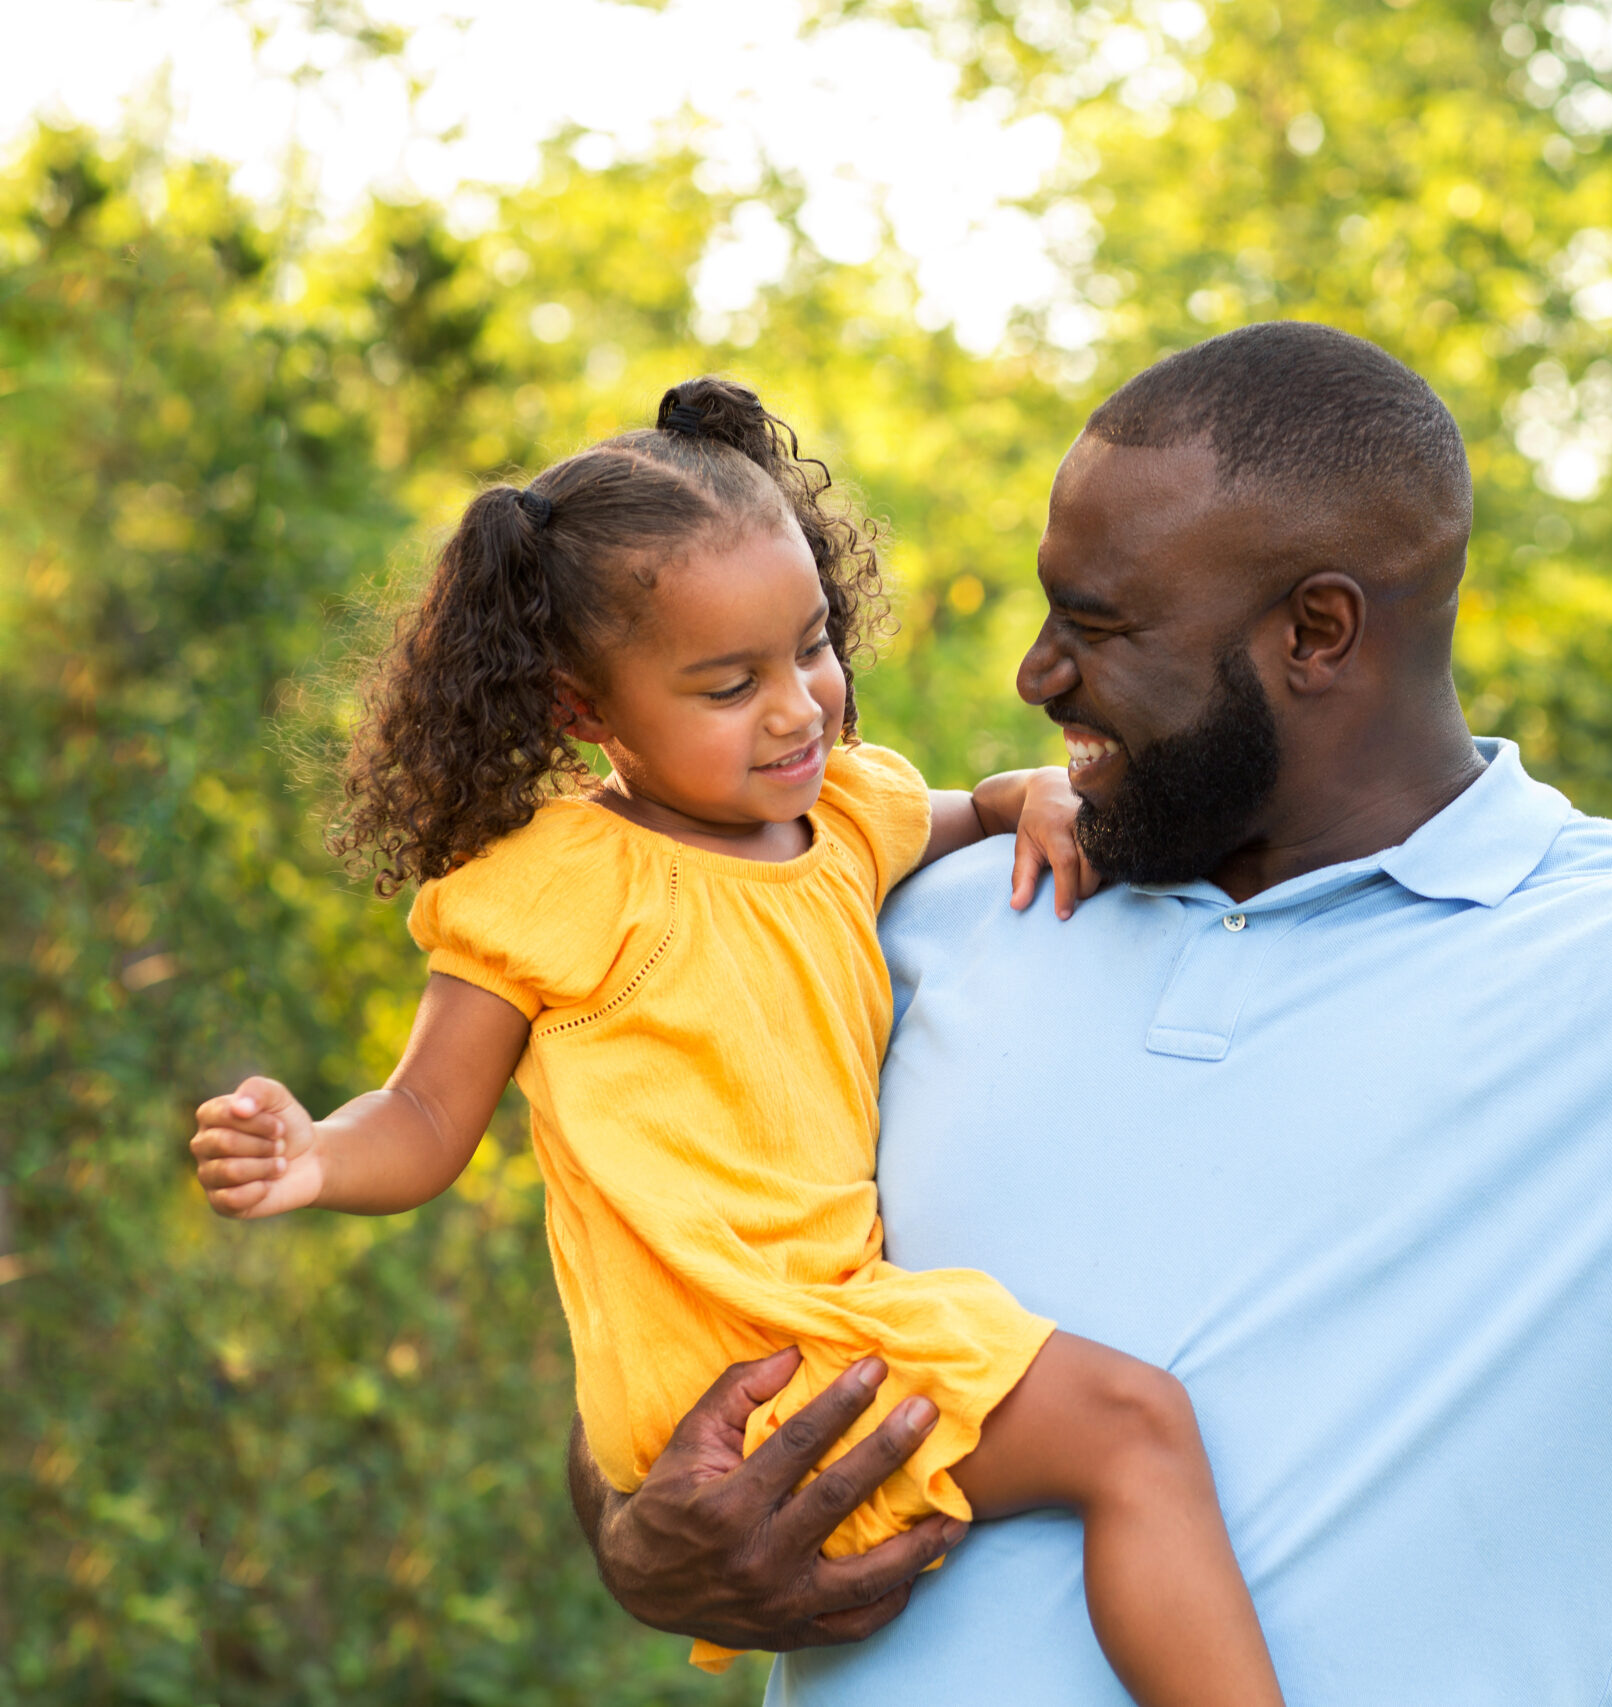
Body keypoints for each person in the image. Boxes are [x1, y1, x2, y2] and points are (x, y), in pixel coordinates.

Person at [573, 324, 1612, 1702]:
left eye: (1099, 624)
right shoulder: (912, 916)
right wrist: (640, 1536)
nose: (1036, 674)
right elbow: (665, 1328)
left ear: (1321, 633)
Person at [187, 379, 1286, 1707]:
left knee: (1126, 1437)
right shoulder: (559, 877)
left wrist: (1032, 792)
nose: (797, 709)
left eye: (810, 647)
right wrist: (313, 1154)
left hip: (828, 1315)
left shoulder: (846, 815)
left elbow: (964, 805)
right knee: (1137, 1435)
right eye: (727, 685)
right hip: (742, 1368)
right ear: (585, 710)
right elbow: (424, 1121)